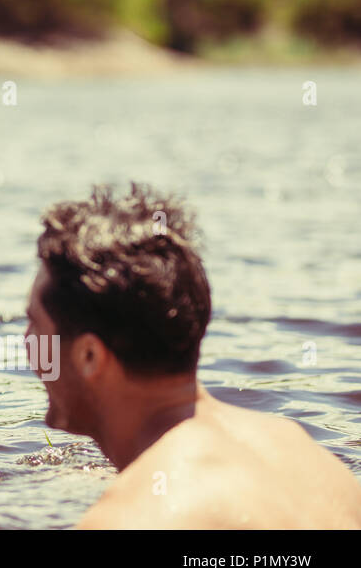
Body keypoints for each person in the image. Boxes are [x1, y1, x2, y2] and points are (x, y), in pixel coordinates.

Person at [23, 183, 361, 528]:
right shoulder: (300, 453)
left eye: (34, 325)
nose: (26, 344)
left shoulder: (130, 518)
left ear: (90, 356)